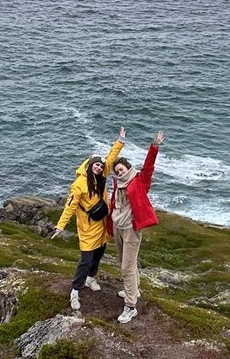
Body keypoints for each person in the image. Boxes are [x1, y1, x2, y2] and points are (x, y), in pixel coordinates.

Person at [52, 127, 125, 311]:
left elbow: (109, 159)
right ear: (89, 164)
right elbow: (70, 206)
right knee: (85, 260)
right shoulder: (79, 184)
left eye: (100, 166)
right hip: (87, 228)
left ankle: (91, 279)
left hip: (101, 225)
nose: (99, 167)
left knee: (99, 255)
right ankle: (75, 291)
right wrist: (60, 226)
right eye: (96, 165)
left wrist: (120, 141)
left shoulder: (102, 177)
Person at [108, 130, 163, 324]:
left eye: (122, 169)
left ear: (128, 168)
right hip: (117, 227)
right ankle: (134, 291)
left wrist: (154, 146)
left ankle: (130, 306)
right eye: (117, 171)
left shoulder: (139, 181)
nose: (120, 172)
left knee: (126, 268)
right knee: (127, 264)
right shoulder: (117, 184)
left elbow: (149, 167)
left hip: (131, 229)